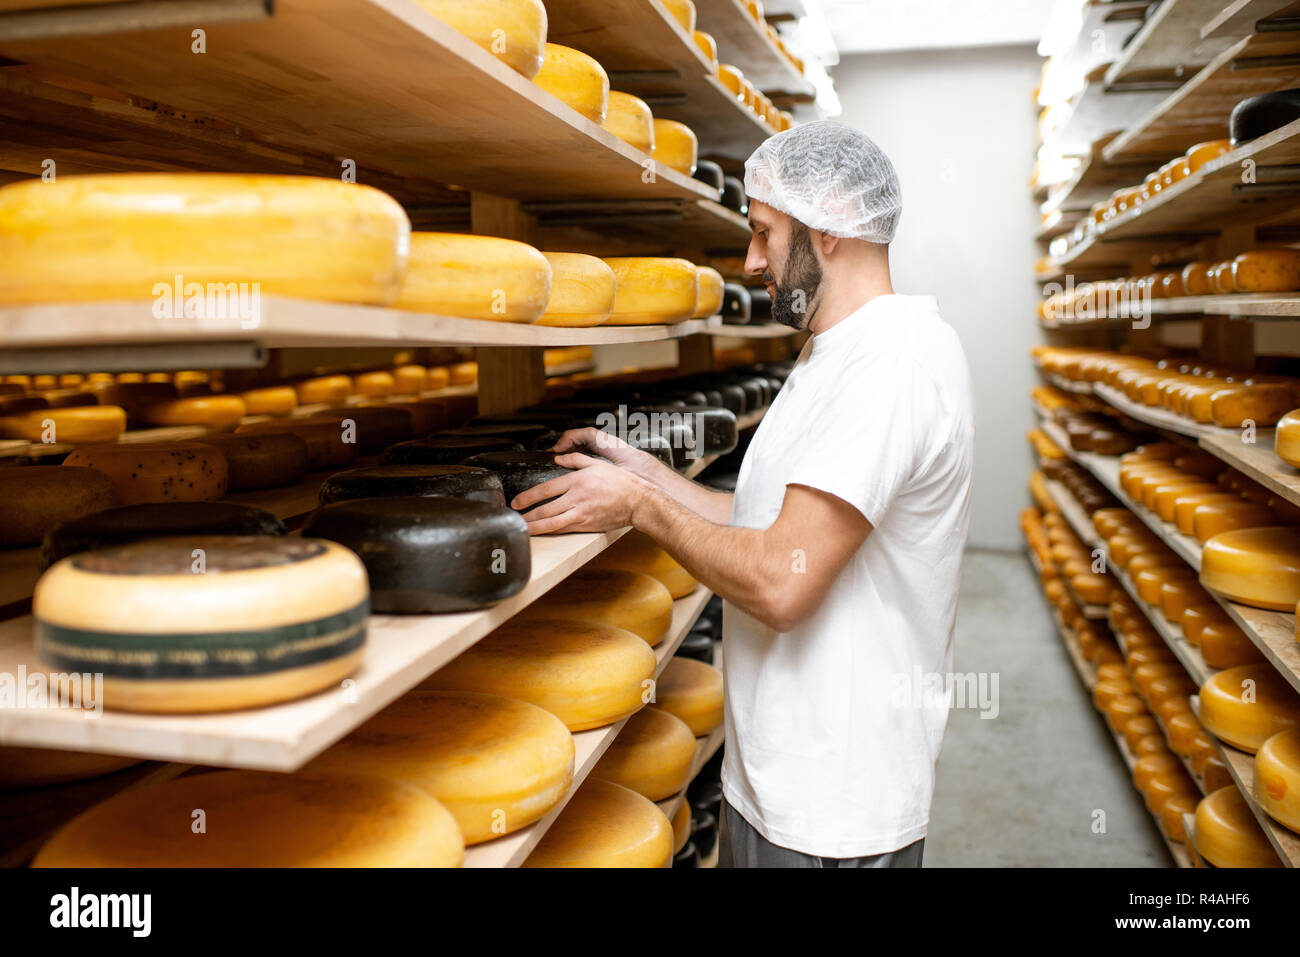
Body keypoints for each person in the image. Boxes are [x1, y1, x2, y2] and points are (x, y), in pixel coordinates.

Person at [512, 120, 975, 868]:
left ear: (828, 225)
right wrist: (644, 474)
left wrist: (642, 508)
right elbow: (764, 525)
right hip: (772, 780)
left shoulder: (894, 365)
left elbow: (778, 579)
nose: (751, 260)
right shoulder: (835, 353)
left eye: (763, 232)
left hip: (834, 810)